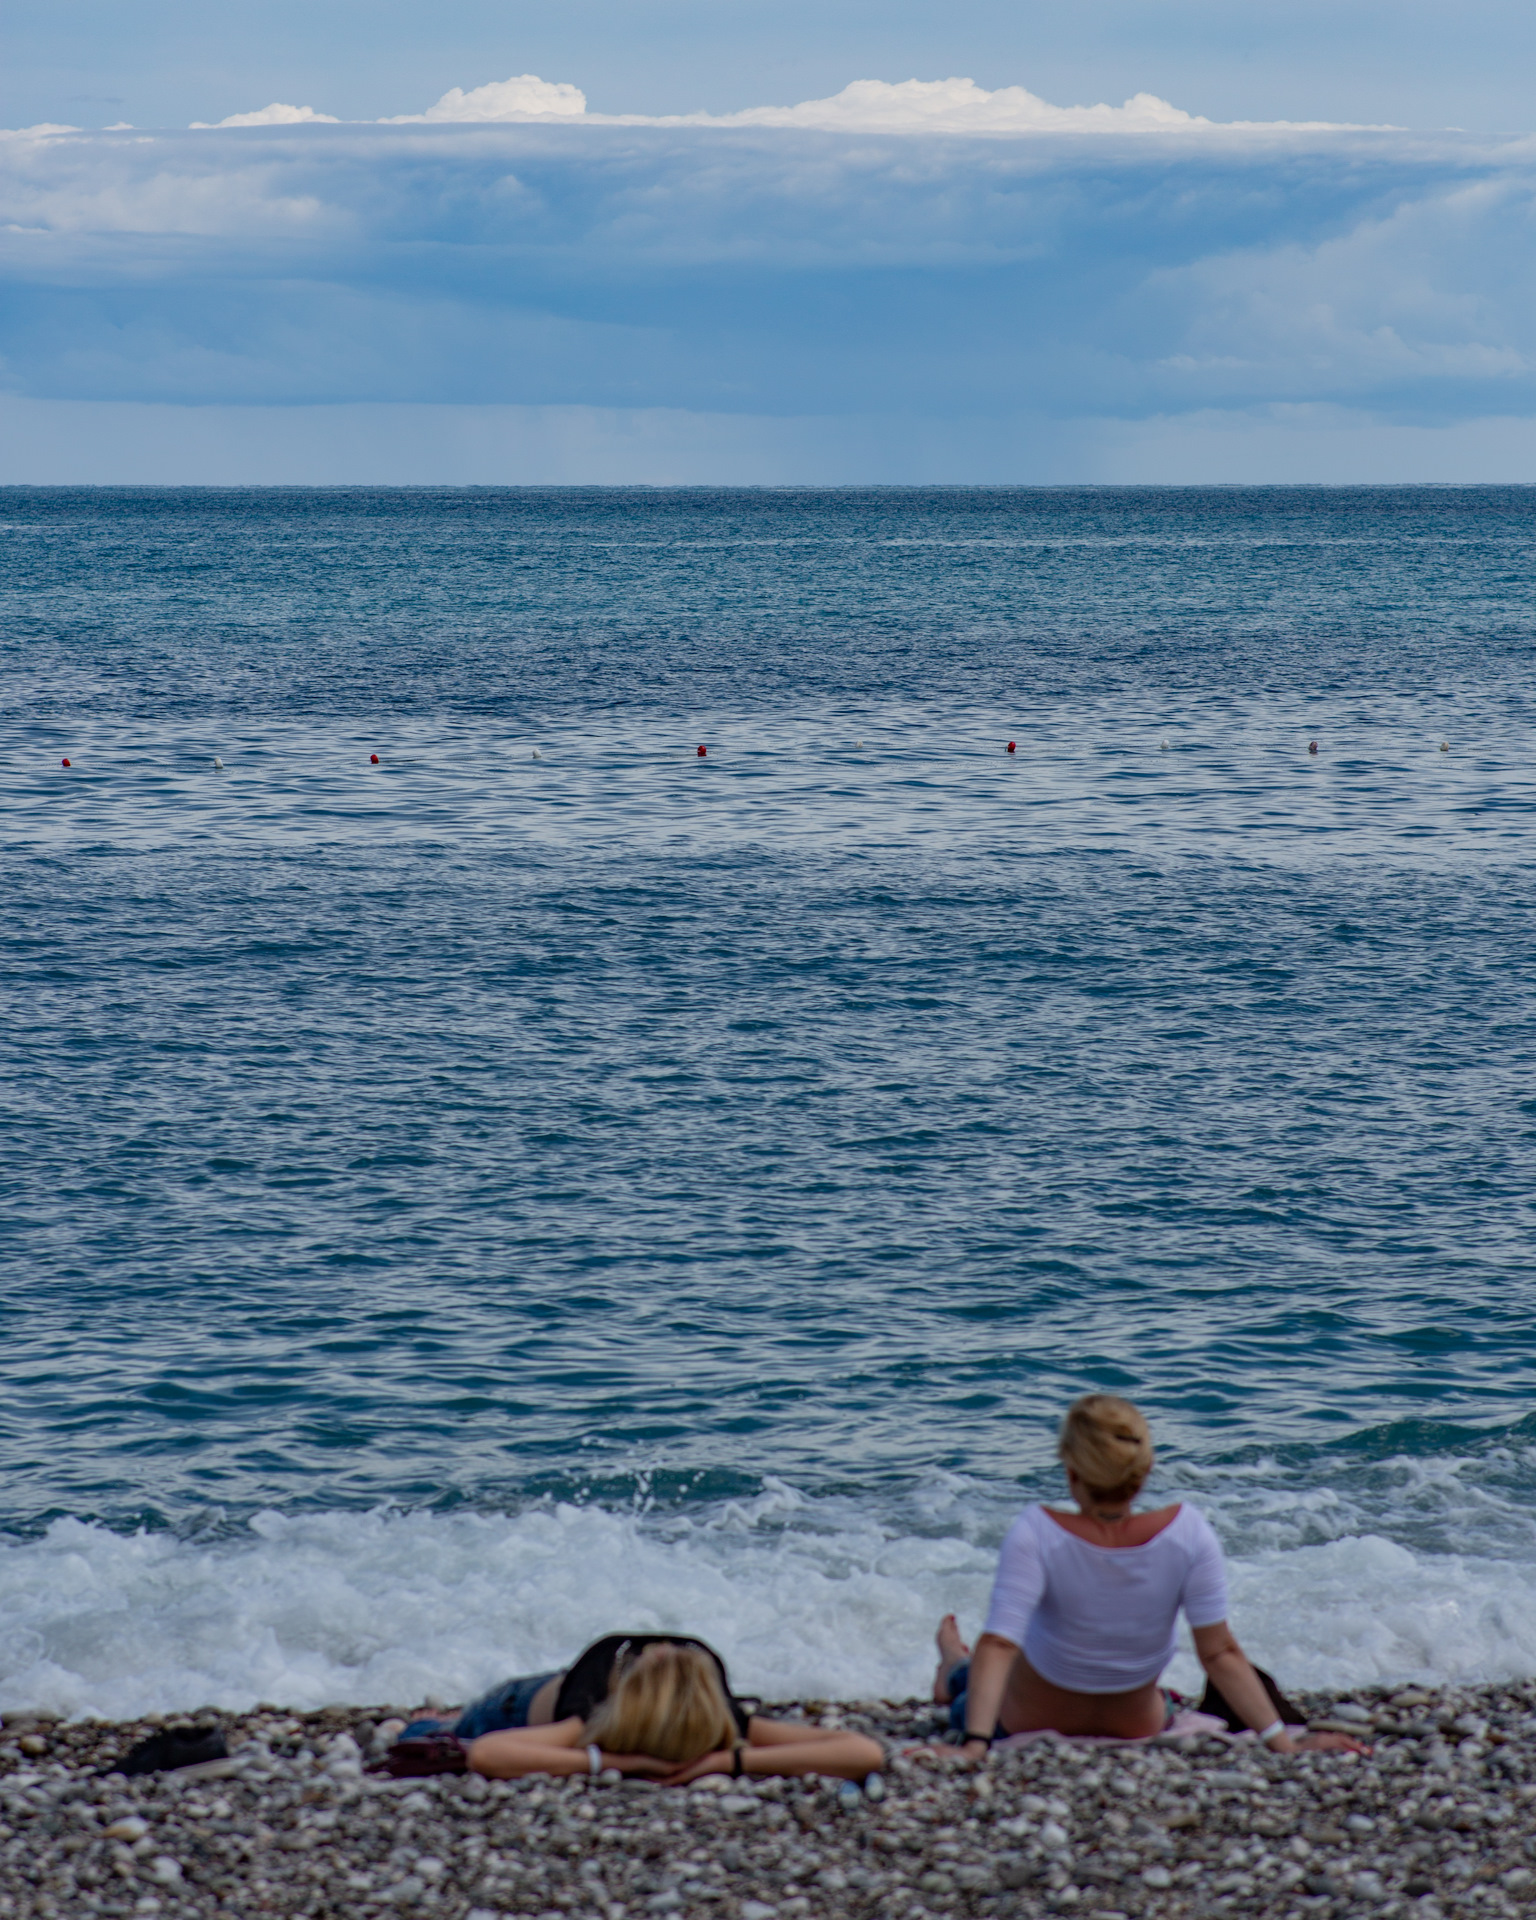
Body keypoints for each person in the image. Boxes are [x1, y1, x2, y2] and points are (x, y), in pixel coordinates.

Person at [935, 1395, 1366, 1758]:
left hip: (1025, 1718)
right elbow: (1220, 1654)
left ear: (1071, 1471)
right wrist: (1282, 1743)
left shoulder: (1037, 1531)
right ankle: (954, 1663)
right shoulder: (1188, 1533)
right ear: (1142, 1473)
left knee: (977, 1675)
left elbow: (1001, 1643)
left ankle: (952, 1663)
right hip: (1136, 1725)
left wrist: (975, 1744)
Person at [398, 1632, 885, 1784]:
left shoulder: (595, 1723)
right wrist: (625, 1763)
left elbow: (488, 1754)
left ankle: (430, 1717)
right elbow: (862, 1751)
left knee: (422, 1737)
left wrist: (724, 1759)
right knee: (437, 1728)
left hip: (533, 1707)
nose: (659, 1647)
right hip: (525, 1698)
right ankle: (433, 1714)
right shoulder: (592, 1717)